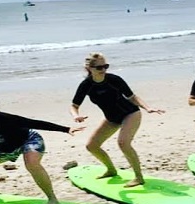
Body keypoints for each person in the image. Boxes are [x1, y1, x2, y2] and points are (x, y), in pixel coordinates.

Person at [70, 53, 164, 187]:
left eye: (105, 66)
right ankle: (111, 170)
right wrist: (75, 115)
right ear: (89, 68)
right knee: (91, 146)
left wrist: (147, 108)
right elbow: (74, 106)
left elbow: (132, 96)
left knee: (123, 143)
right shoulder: (86, 85)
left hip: (130, 113)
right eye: (99, 67)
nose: (103, 70)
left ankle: (139, 177)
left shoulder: (114, 79)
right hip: (112, 119)